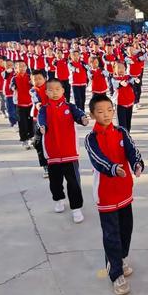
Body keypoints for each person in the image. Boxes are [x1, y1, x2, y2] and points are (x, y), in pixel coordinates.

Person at [84, 94, 144, 295]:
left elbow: (132, 150)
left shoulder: (121, 132)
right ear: (92, 115)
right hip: (106, 194)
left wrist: (136, 164)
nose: (106, 115)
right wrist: (113, 168)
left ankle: (121, 258)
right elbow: (97, 160)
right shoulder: (91, 139)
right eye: (100, 112)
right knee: (111, 234)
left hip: (125, 190)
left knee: (126, 228)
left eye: (109, 110)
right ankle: (115, 272)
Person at [38, 78, 89, 223]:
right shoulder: (44, 109)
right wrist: (42, 127)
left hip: (69, 152)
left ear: (63, 90)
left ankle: (76, 208)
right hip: (52, 151)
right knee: (55, 181)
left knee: (73, 182)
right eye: (51, 90)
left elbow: (79, 114)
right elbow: (41, 120)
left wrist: (83, 119)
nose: (54, 92)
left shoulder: (69, 106)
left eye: (57, 89)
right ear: (46, 92)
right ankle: (59, 199)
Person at [11, 60, 34, 149]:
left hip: (30, 103)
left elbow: (34, 85)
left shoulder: (29, 77)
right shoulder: (15, 78)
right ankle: (24, 140)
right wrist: (14, 88)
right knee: (22, 123)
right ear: (16, 69)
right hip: (20, 104)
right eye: (19, 66)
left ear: (26, 67)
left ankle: (31, 137)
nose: (22, 68)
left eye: (23, 66)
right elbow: (11, 86)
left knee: (31, 122)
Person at [112, 62, 136, 132]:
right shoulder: (114, 78)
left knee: (128, 122)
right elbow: (116, 85)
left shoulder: (128, 77)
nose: (121, 69)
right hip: (120, 104)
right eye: (118, 68)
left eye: (122, 67)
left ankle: (127, 135)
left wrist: (134, 80)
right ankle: (122, 137)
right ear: (114, 70)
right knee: (122, 123)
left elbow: (133, 81)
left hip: (129, 103)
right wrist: (120, 83)